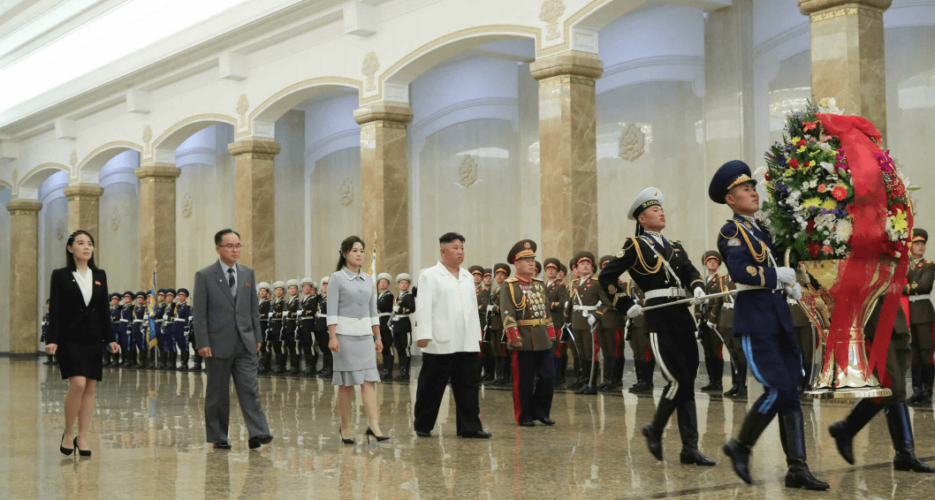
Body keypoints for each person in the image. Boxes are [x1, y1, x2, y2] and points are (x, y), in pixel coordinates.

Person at [710, 161, 828, 489]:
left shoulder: (759, 229)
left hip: (779, 317)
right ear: (730, 199)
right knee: (777, 388)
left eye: (752, 186)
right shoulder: (731, 231)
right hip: (756, 319)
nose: (753, 191)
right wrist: (776, 276)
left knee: (791, 392)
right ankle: (740, 446)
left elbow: (778, 263)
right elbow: (739, 272)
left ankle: (797, 468)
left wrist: (789, 282)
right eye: (745, 189)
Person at [597, 187, 714, 466]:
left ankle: (690, 447)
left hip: (682, 315)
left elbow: (689, 272)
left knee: (688, 380)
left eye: (661, 208)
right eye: (653, 210)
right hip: (659, 317)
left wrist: (697, 287)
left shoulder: (675, 245)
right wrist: (626, 304)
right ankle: (655, 429)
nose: (660, 212)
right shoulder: (635, 246)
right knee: (678, 379)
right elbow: (607, 277)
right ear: (642, 219)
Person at [828, 297, 935, 473]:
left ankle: (904, 454)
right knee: (892, 384)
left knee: (896, 389)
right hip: (870, 319)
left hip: (893, 315)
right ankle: (848, 428)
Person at [192, 229, 273, 450]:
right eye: (230, 246)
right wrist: (202, 342)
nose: (235, 250)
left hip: (245, 342)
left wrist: (257, 336)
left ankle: (258, 433)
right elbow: (199, 313)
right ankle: (219, 436)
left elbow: (252, 309)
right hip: (217, 344)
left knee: (250, 389)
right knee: (217, 393)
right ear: (218, 248)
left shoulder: (247, 273)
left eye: (238, 245)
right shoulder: (205, 275)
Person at [46, 230, 120, 457]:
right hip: (69, 338)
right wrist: (52, 339)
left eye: (90, 244)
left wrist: (110, 338)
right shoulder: (60, 275)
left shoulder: (99, 274)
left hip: (93, 338)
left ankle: (83, 436)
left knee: (89, 387)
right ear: (70, 248)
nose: (86, 247)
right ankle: (68, 432)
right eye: (80, 243)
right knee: (77, 383)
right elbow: (56, 309)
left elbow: (103, 310)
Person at [413, 232, 490, 439]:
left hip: (466, 341)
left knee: (468, 385)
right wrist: (423, 333)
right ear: (443, 251)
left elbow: (472, 309)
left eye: (462, 248)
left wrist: (476, 336)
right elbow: (424, 306)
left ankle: (470, 427)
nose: (460, 252)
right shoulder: (429, 275)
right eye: (455, 248)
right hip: (439, 339)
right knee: (432, 385)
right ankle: (423, 424)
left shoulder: (466, 276)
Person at [327, 236, 388, 444]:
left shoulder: (369, 279)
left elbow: (373, 311)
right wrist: (333, 336)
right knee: (346, 384)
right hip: (344, 337)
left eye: (361, 250)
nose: (359, 254)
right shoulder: (337, 278)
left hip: (365, 337)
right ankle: (345, 427)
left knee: (369, 381)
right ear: (344, 254)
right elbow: (331, 310)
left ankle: (374, 425)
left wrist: (377, 336)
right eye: (354, 250)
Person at [501, 239, 557, 426]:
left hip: (542, 338)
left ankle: (540, 411)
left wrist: (551, 334)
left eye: (533, 259)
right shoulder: (509, 285)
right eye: (526, 260)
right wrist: (514, 336)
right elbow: (507, 313)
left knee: (547, 377)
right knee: (523, 381)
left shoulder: (539, 284)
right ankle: (523, 415)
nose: (532, 263)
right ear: (516, 264)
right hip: (523, 339)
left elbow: (545, 311)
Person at [564, 252, 606, 394]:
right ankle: (585, 382)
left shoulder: (597, 283)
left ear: (592, 268)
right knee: (581, 354)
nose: (585, 266)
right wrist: (566, 319)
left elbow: (606, 303)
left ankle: (592, 384)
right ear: (577, 268)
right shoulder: (574, 283)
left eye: (588, 264)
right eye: (582, 264)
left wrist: (596, 315)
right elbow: (570, 303)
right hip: (576, 323)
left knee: (591, 354)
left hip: (590, 324)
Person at [904, 228, 935, 405]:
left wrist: (906, 287)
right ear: (910, 246)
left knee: (926, 352)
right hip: (909, 313)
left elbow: (924, 285)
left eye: (922, 243)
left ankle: (927, 390)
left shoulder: (929, 265)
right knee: (913, 353)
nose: (920, 246)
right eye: (916, 243)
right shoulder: (904, 265)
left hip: (924, 313)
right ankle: (916, 390)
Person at [696, 251, 725, 392]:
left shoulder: (721, 280)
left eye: (715, 261)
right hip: (703, 318)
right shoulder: (701, 282)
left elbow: (719, 301)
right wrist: (697, 318)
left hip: (715, 319)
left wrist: (713, 317)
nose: (712, 263)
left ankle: (718, 381)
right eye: (709, 261)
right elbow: (698, 301)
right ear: (705, 264)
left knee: (716, 350)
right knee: (707, 351)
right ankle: (711, 380)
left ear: (718, 264)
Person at [598, 255, 626, 391]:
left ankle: (615, 379)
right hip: (602, 322)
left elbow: (615, 302)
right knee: (606, 351)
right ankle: (607, 378)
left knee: (616, 351)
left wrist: (602, 306)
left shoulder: (621, 284)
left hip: (615, 321)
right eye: (603, 266)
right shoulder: (599, 284)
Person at [544, 258, 569, 385]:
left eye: (553, 269)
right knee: (545, 349)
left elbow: (563, 303)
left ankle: (557, 376)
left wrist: (550, 305)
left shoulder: (560, 287)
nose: (550, 271)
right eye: (548, 269)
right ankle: (546, 374)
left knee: (556, 349)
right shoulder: (541, 286)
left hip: (555, 322)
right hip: (543, 323)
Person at [391, 273, 415, 381]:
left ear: (408, 285)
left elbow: (412, 308)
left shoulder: (409, 296)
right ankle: (401, 370)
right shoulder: (397, 297)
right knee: (399, 348)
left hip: (404, 323)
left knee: (405, 348)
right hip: (397, 324)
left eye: (406, 283)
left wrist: (400, 310)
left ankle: (406, 371)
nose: (404, 285)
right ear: (399, 285)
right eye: (402, 283)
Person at [470, 265, 492, 381]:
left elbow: (483, 306)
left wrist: (472, 308)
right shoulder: (467, 289)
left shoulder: (483, 291)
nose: (477, 278)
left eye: (479, 276)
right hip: (468, 323)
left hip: (479, 322)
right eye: (474, 275)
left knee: (479, 349)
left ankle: (477, 374)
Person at [489, 264, 510, 385]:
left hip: (502, 324)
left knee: (503, 351)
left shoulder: (506, 289)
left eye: (502, 274)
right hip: (495, 324)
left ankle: (504, 376)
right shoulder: (495, 290)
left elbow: (506, 307)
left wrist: (493, 309)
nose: (499, 277)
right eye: (497, 274)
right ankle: (498, 375)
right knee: (496, 351)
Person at [376, 273, 395, 379]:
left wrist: (374, 305)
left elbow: (382, 306)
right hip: (380, 325)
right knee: (383, 348)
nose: (382, 284)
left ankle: (389, 370)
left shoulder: (389, 296)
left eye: (385, 282)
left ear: (388, 284)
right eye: (381, 282)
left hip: (386, 324)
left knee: (388, 347)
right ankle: (385, 369)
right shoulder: (379, 296)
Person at [299, 278, 319, 376]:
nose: (306, 288)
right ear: (302, 289)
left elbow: (312, 311)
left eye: (308, 287)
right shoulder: (302, 300)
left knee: (310, 345)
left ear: (311, 289)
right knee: (305, 346)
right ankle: (307, 365)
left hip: (310, 325)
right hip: (302, 325)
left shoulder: (313, 299)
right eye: (304, 287)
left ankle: (311, 367)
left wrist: (303, 312)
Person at [315, 277, 333, 377]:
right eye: (324, 285)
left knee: (327, 347)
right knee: (322, 346)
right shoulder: (320, 297)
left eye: (327, 285)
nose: (325, 287)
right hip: (319, 324)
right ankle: (325, 366)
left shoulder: (333, 297)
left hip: (327, 324)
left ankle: (329, 368)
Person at [284, 279, 301, 374]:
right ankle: (292, 366)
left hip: (295, 326)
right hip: (288, 326)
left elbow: (298, 313)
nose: (292, 290)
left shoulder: (298, 301)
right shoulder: (288, 301)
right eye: (290, 288)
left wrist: (289, 313)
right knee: (289, 346)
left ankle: (295, 367)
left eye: (294, 288)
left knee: (295, 347)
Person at [269, 282, 286, 374]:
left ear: (283, 292)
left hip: (280, 328)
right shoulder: (273, 303)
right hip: (273, 328)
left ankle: (281, 365)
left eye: (280, 290)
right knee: (275, 347)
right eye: (277, 290)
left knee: (280, 347)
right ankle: (277, 365)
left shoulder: (284, 302)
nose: (278, 292)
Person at [257, 283, 273, 374]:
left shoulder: (268, 303)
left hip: (264, 326)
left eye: (264, 291)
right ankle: (262, 365)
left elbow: (266, 315)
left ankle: (264, 365)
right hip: (258, 326)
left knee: (265, 345)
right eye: (261, 291)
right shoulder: (257, 302)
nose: (262, 292)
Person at [174, 289, 192, 371]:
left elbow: (187, 318)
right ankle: (182, 362)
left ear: (185, 297)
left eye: (182, 296)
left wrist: (186, 328)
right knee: (180, 345)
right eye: (179, 296)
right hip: (177, 328)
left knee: (184, 346)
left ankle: (185, 364)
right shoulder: (178, 306)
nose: (180, 297)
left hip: (182, 328)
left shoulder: (187, 307)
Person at [105, 293, 122, 367]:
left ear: (118, 301)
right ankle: (107, 359)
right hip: (110, 328)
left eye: (116, 299)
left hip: (116, 328)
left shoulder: (119, 308)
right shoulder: (111, 308)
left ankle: (115, 360)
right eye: (113, 299)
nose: (114, 300)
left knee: (115, 344)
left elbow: (116, 317)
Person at [42, 298, 54, 365]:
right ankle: (49, 359)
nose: (49, 305)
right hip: (47, 332)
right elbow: (44, 323)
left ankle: (56, 359)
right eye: (48, 303)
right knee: (48, 346)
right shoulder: (46, 314)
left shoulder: (56, 313)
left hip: (53, 332)